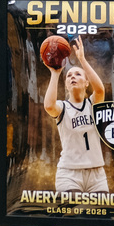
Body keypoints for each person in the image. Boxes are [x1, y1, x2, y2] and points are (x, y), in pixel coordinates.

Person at [43, 38, 107, 193]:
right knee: (72, 214)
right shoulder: (62, 107)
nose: (72, 77)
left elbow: (100, 90)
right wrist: (55, 72)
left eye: (78, 74)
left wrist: (82, 60)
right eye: (69, 75)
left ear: (86, 83)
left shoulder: (92, 104)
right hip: (69, 173)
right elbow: (49, 106)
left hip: (97, 174)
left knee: (100, 216)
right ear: (66, 84)